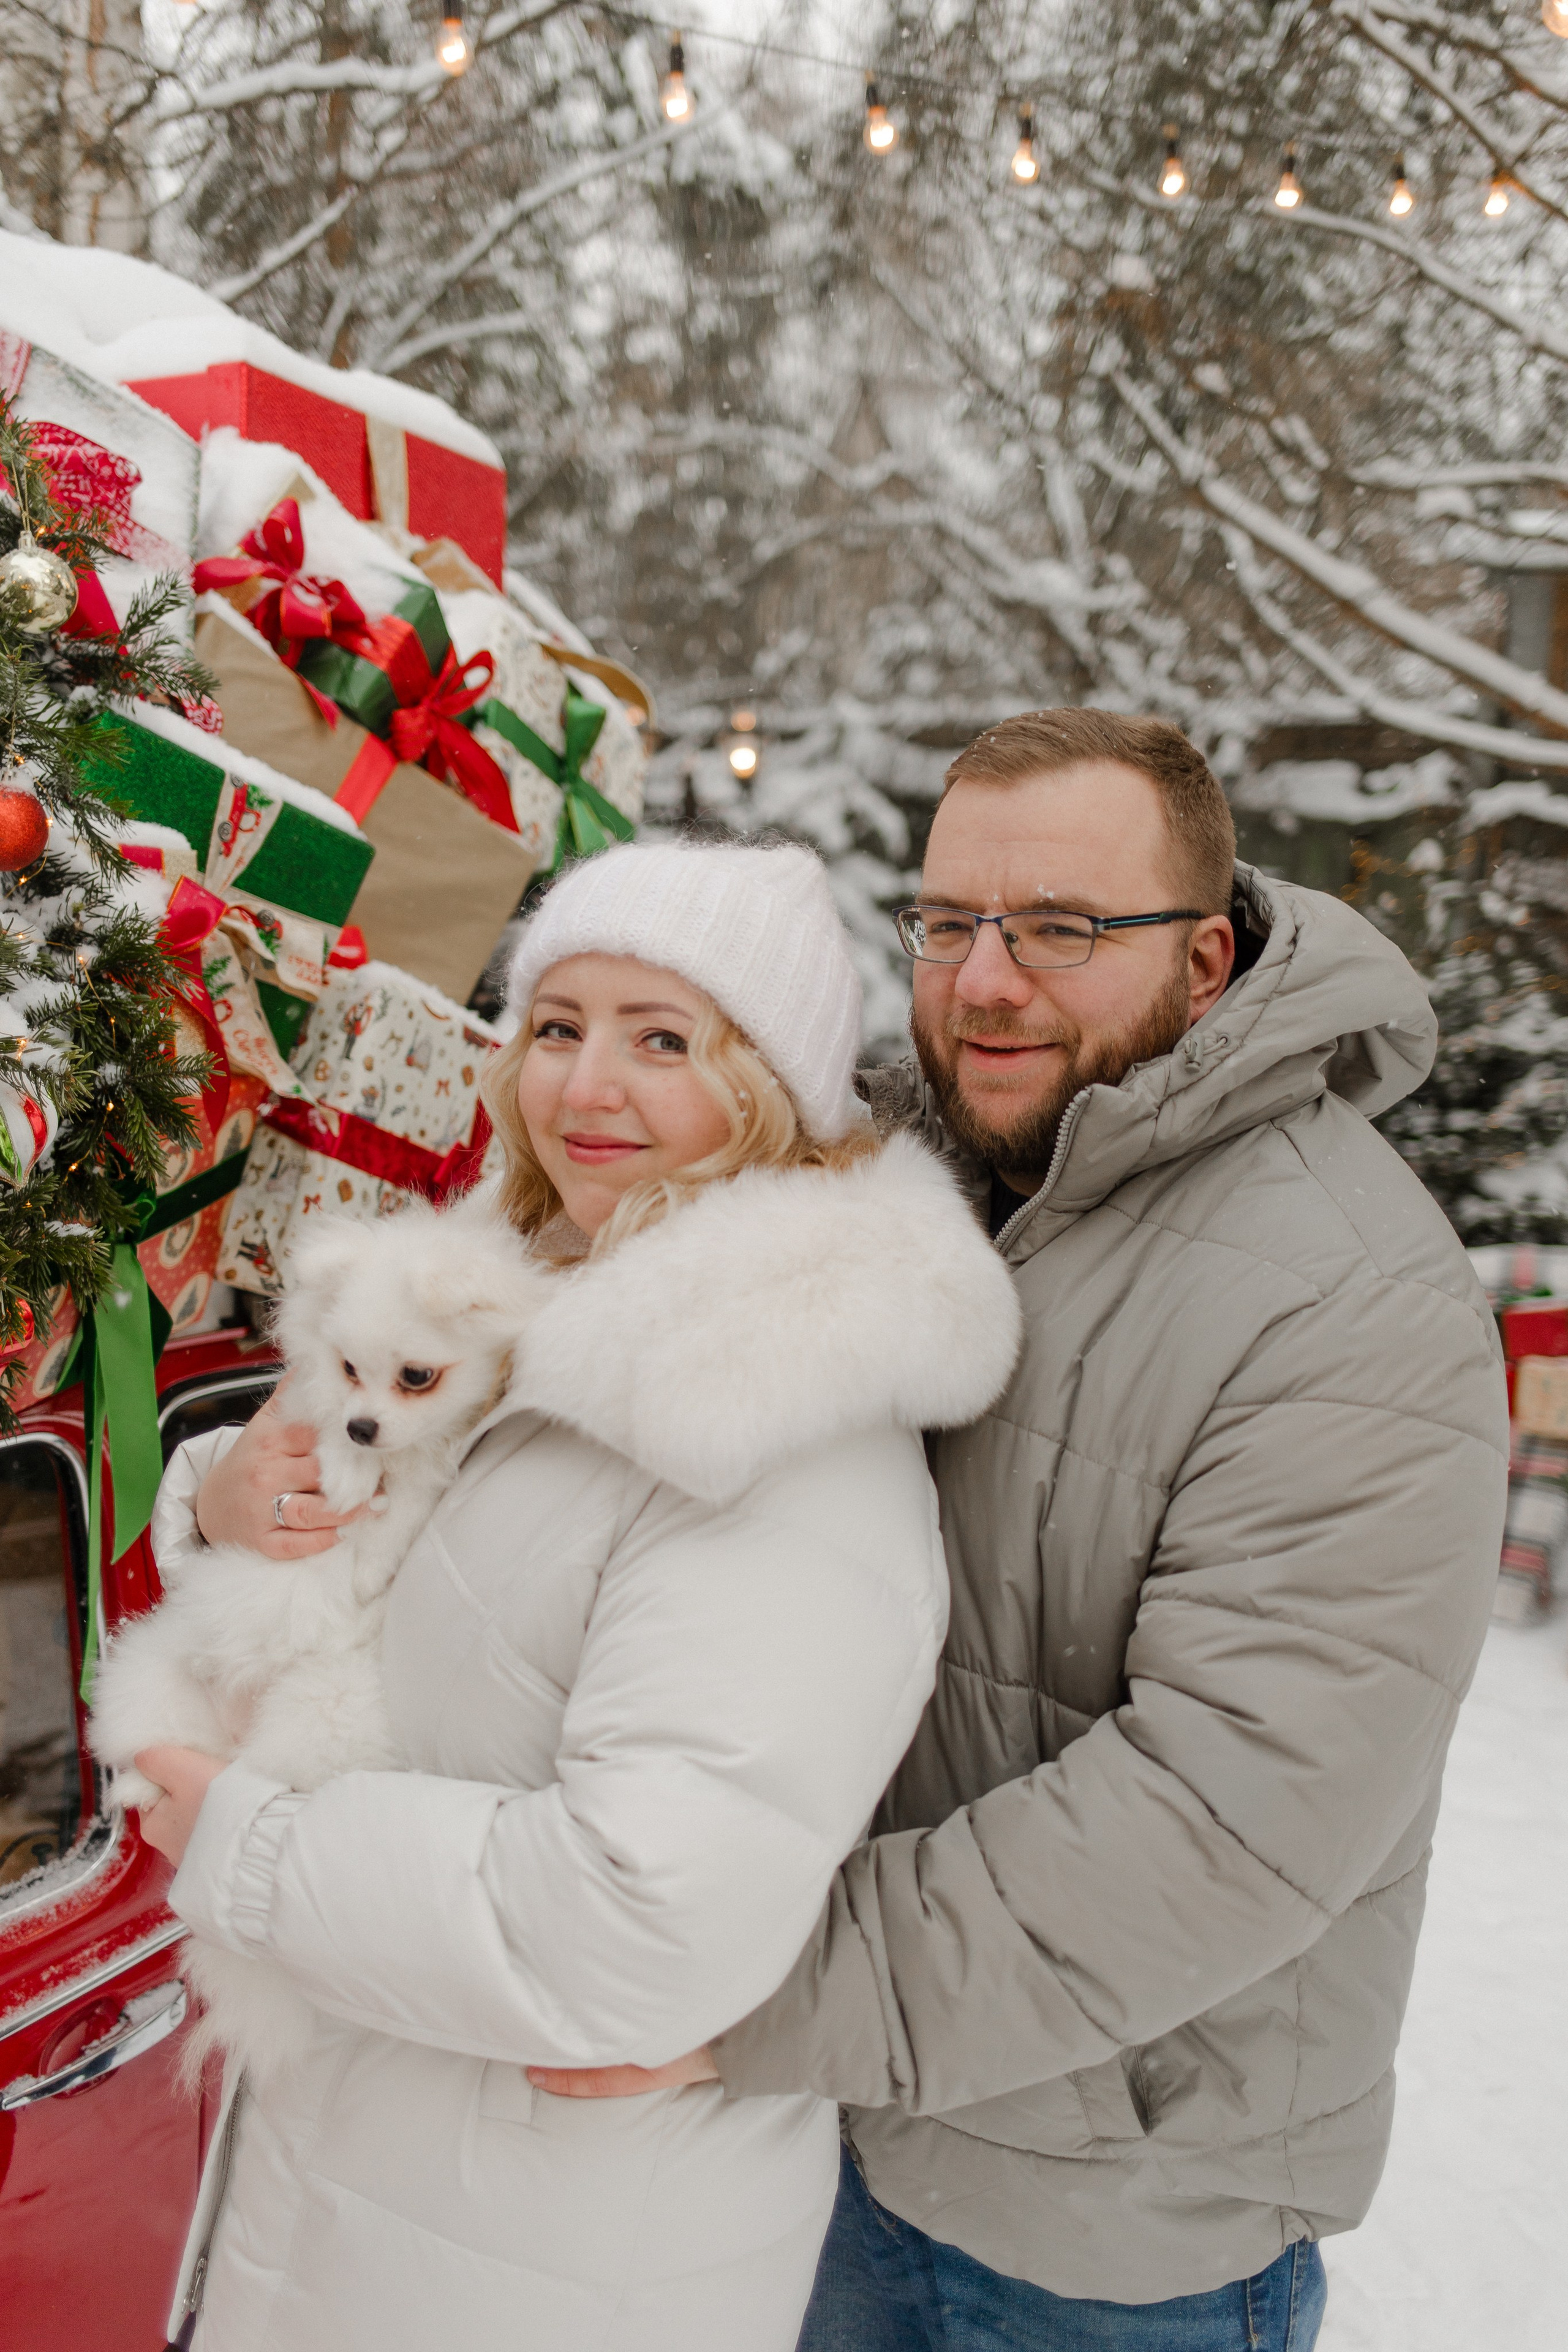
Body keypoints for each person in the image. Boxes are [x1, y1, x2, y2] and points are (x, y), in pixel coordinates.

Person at [529, 710, 1510, 2352]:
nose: (985, 979)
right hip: (824, 2143)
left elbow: (1221, 1824)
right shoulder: (917, 1169)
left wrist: (746, 1992)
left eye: (1062, 929)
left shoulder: (1351, 1304)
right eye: (951, 922)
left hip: (1097, 2240)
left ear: (1204, 959)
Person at [130, 840, 1022, 2352]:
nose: (584, 1086)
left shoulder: (776, 1434)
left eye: (660, 1039)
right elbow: (422, 1583)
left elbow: (636, 1923)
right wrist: (225, 1497)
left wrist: (253, 1845)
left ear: (765, 1090)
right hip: (392, 2189)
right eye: (558, 1026)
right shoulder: (535, 1302)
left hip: (541, 2257)